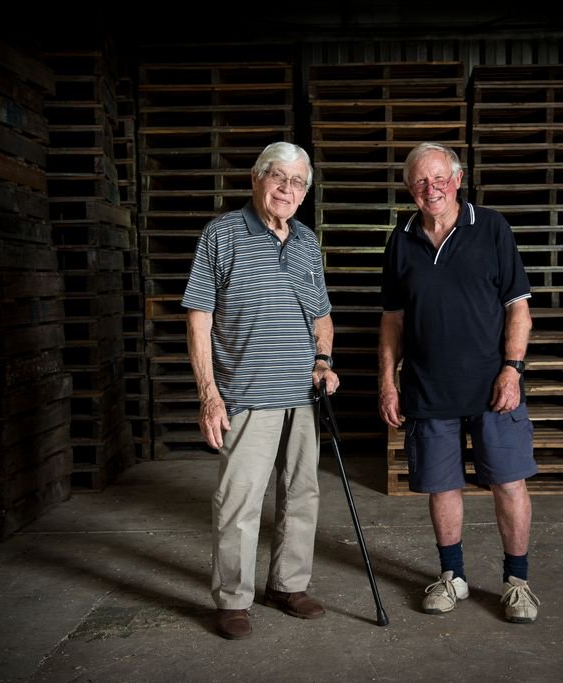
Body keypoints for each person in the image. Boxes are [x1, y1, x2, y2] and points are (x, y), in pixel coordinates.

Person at [182, 141, 340, 640]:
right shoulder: (222, 234)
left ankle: (288, 585)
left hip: (300, 394)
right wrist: (209, 393)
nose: (287, 189)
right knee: (240, 501)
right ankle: (232, 598)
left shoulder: (306, 243)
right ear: (257, 177)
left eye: (297, 184)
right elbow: (198, 317)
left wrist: (323, 360)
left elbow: (322, 316)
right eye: (279, 178)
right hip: (247, 393)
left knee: (302, 494)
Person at [378, 142, 540, 624]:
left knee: (508, 483)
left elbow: (519, 309)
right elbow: (392, 320)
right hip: (428, 388)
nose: (432, 189)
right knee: (441, 486)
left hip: (494, 388)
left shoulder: (491, 227)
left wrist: (512, 369)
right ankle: (452, 577)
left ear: (457, 178)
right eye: (421, 182)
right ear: (410, 189)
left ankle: (517, 581)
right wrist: (388, 382)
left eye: (439, 178)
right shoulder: (400, 239)